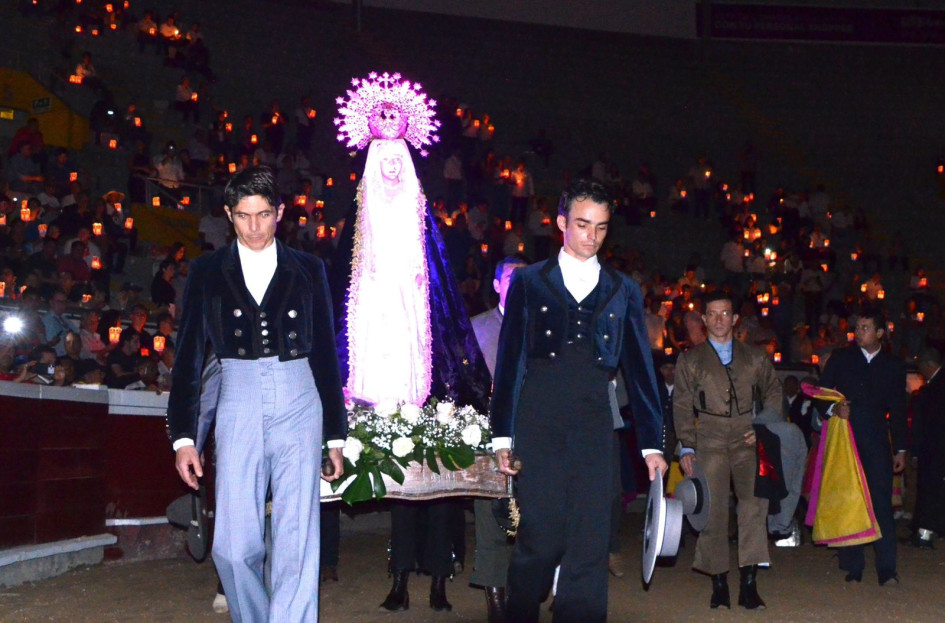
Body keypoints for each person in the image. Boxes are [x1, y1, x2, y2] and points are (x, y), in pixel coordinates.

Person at [167, 166, 346, 622]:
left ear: (279, 213)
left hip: (299, 393)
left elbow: (325, 351)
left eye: (264, 214)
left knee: (296, 537)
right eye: (243, 216)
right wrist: (184, 437)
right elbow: (189, 355)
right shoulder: (207, 270)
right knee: (231, 546)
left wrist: (335, 437)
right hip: (238, 394)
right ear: (229, 214)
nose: (253, 227)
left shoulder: (309, 268)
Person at [490, 179, 666, 623]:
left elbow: (641, 372)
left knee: (590, 542)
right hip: (539, 418)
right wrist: (501, 437)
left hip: (593, 421)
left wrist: (652, 445)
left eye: (602, 228)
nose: (592, 236)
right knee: (541, 536)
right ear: (562, 224)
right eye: (584, 225)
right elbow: (510, 363)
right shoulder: (529, 282)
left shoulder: (623, 289)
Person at [674, 290, 781, 610]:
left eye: (725, 314)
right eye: (713, 314)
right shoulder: (690, 360)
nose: (720, 320)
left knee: (754, 506)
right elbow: (680, 405)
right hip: (708, 437)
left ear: (735, 319)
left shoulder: (756, 356)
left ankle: (749, 583)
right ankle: (718, 581)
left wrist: (761, 427)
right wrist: (687, 447)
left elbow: (774, 393)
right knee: (713, 510)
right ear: (704, 320)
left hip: (747, 437)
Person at [819, 308, 907, 585]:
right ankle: (853, 566)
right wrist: (834, 408)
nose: (859, 332)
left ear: (880, 333)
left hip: (877, 442)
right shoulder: (842, 359)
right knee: (849, 501)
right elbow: (821, 393)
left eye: (865, 327)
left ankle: (887, 569)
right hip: (846, 440)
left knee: (881, 504)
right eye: (857, 327)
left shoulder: (893, 365)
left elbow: (899, 409)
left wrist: (901, 449)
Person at [469, 255, 528, 623]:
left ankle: (525, 591)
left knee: (534, 520)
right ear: (497, 285)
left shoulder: (547, 328)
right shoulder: (476, 329)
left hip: (535, 435)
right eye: (512, 277)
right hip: (489, 438)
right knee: (491, 517)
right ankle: (497, 603)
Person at [911, 347, 945, 549]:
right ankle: (927, 530)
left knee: (931, 490)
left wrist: (918, 449)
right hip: (935, 448)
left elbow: (928, 424)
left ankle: (926, 532)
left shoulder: (936, 388)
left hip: (935, 449)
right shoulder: (935, 385)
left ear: (928, 365)